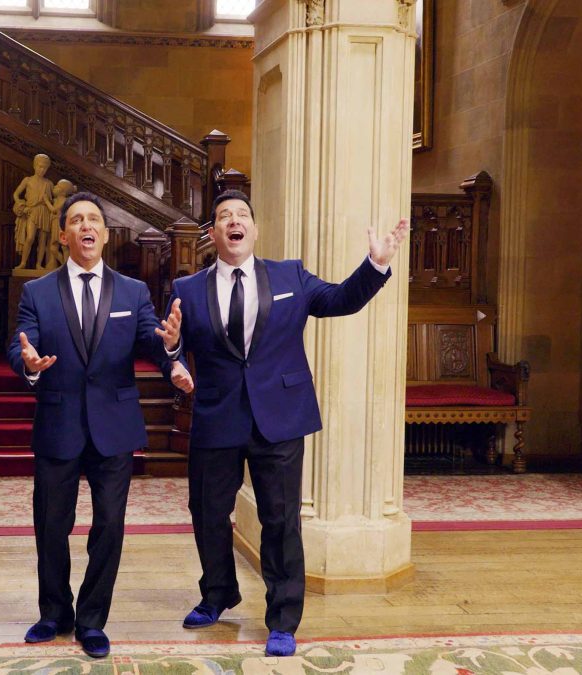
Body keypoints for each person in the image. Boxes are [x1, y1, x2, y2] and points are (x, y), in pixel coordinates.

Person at [165, 189, 407, 657]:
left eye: (242, 215)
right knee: (208, 513)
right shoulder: (187, 289)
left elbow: (339, 300)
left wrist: (375, 266)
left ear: (253, 230)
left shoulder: (290, 275)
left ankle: (282, 618)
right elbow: (169, 344)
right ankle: (218, 594)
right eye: (223, 217)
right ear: (213, 234)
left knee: (280, 520)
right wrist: (174, 358)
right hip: (217, 414)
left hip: (280, 415)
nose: (234, 222)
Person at [7, 192, 194, 658]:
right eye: (76, 220)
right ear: (64, 234)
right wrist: (28, 362)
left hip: (114, 425)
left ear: (106, 235)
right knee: (51, 524)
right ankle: (54, 613)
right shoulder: (38, 291)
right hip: (58, 421)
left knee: (109, 526)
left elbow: (154, 342)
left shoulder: (132, 291)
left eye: (94, 219)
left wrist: (170, 348)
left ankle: (92, 619)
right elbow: (20, 344)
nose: (86, 226)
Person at [13, 153, 55, 269]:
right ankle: (23, 263)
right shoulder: (28, 180)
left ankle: (38, 264)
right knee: (30, 237)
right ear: (34, 166)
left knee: (43, 240)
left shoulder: (49, 183)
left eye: (45, 168)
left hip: (44, 212)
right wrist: (21, 204)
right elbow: (16, 194)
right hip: (31, 211)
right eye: (40, 166)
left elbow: (55, 197)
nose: (42, 170)